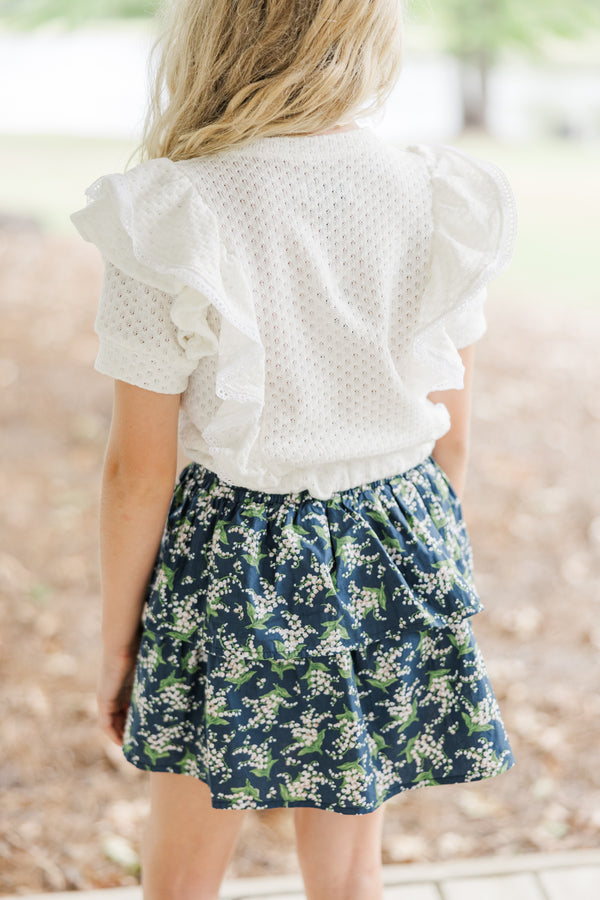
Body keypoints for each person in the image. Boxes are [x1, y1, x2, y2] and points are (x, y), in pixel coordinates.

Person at [71, 1, 517, 898]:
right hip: (395, 534)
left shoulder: (172, 212)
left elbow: (138, 472)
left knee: (182, 876)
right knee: (351, 868)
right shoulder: (438, 194)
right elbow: (453, 434)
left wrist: (120, 648)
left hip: (233, 560)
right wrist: (431, 562)